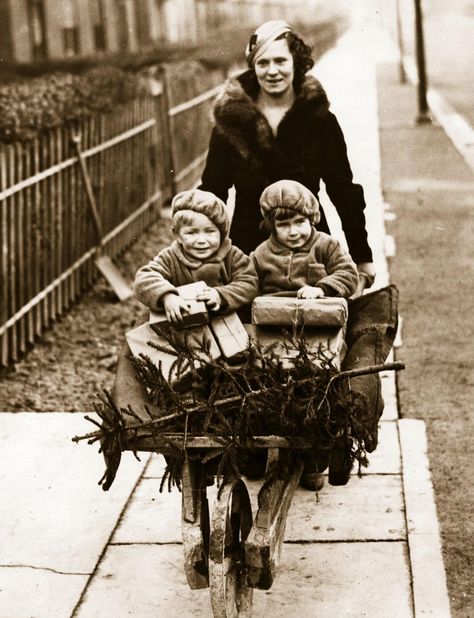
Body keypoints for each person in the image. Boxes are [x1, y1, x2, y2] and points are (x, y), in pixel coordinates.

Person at [199, 19, 375, 295]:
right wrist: (199, 257)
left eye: (281, 61)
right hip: (248, 254)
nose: (272, 71)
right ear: (252, 67)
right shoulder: (231, 122)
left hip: (311, 252)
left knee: (318, 331)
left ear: (297, 62)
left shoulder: (320, 120)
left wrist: (362, 256)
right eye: (262, 63)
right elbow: (212, 192)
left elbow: (343, 190)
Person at [134, 189, 258, 320]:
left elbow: (249, 282)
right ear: (177, 235)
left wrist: (221, 295)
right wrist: (167, 296)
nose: (201, 240)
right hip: (183, 323)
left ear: (222, 233)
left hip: (228, 322)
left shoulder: (232, 256)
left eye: (209, 232)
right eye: (192, 233)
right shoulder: (170, 257)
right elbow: (145, 278)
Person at [251, 179, 358, 299]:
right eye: (283, 225)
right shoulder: (261, 253)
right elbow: (247, 282)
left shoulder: (327, 245)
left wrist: (322, 289)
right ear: (272, 226)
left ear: (311, 219)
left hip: (319, 310)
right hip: (272, 312)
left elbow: (348, 273)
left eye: (299, 222)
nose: (293, 232)